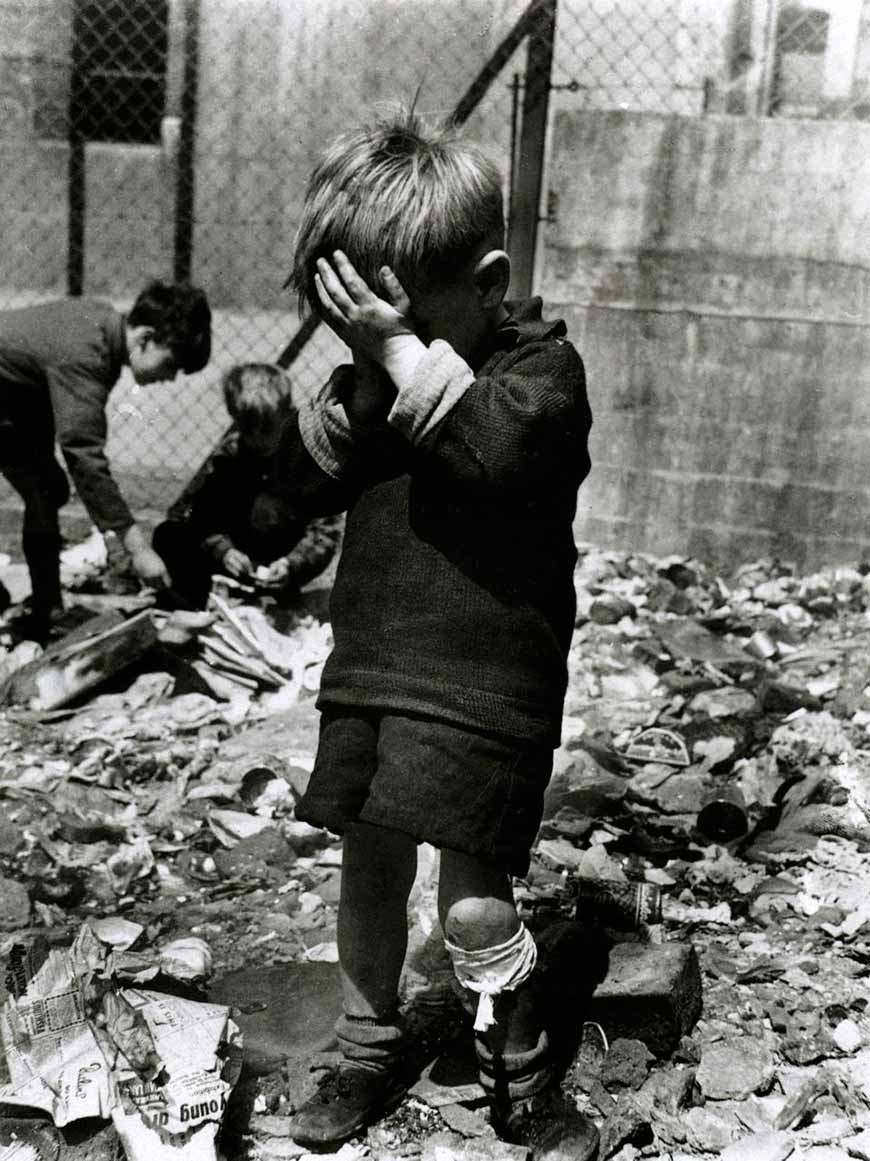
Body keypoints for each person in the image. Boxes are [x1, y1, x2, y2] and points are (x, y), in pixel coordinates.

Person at [279, 112, 596, 1159]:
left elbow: (497, 454)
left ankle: (519, 1055)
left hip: (484, 688)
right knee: (368, 868)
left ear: (491, 283)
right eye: (349, 313)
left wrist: (403, 352)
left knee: (470, 908)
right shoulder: (374, 375)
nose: (368, 334)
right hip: (375, 668)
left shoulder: (538, 374)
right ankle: (367, 1042)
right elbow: (304, 481)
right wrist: (369, 370)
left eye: (391, 310)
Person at [0, 280, 211, 635]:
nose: (171, 377)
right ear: (145, 338)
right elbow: (84, 454)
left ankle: (46, 605)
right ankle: (44, 605)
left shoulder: (103, 325)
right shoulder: (89, 353)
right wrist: (136, 547)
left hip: (10, 399)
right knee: (45, 487)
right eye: (172, 363)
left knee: (47, 489)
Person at [152, 362, 342, 609]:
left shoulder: (308, 458)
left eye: (267, 428)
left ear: (289, 414)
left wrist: (291, 565)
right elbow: (193, 517)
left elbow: (324, 533)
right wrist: (223, 551)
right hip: (235, 557)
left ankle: (276, 597)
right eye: (247, 429)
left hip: (282, 559)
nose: (257, 439)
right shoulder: (228, 458)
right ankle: (199, 601)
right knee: (168, 534)